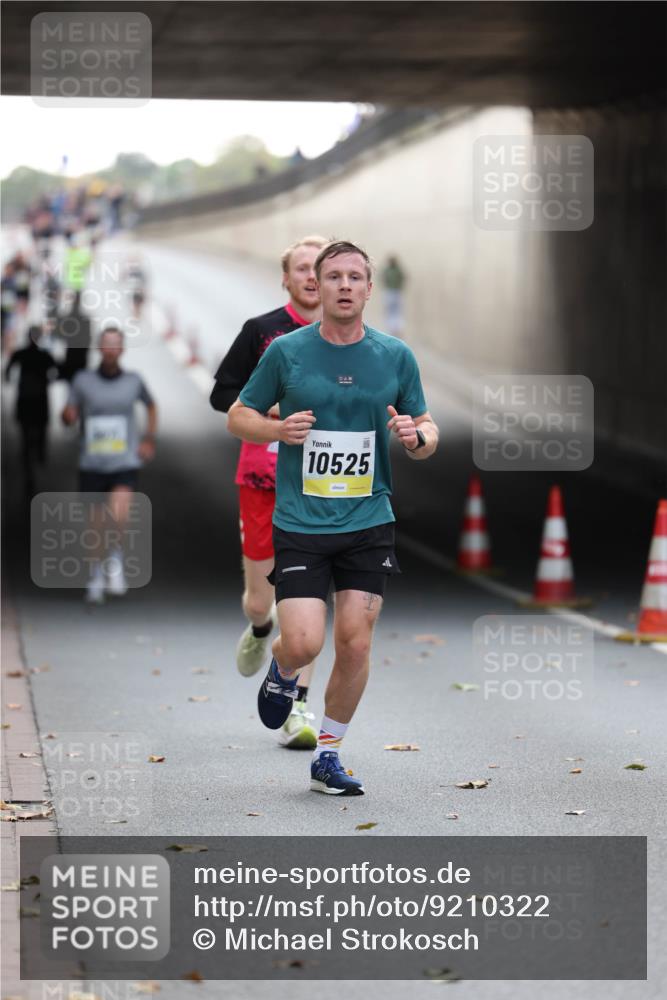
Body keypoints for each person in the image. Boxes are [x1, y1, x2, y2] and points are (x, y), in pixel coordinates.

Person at [227, 240, 438, 795]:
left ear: (369, 288)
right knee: (302, 643)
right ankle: (281, 668)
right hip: (301, 521)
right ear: (317, 287)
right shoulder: (287, 353)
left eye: (355, 277)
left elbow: (426, 427)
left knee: (356, 641)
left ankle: (328, 755)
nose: (345, 285)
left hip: (369, 521)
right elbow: (238, 415)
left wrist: (417, 439)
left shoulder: (395, 356)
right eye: (334, 277)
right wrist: (276, 430)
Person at [210, 235, 328, 750]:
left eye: (317, 269)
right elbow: (222, 395)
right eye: (300, 268)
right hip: (262, 477)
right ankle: (261, 630)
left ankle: (297, 707)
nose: (309, 276)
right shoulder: (263, 333)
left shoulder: (347, 337)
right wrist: (274, 413)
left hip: (322, 484)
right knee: (262, 601)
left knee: (307, 602)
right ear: (286, 278)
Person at [61, 326, 157, 604]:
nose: (111, 349)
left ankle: (114, 559)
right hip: (92, 462)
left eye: (116, 344)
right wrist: (67, 416)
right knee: (95, 526)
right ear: (99, 348)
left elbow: (151, 406)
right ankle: (94, 575)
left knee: (119, 516)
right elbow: (68, 413)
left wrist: (148, 438)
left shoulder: (133, 380)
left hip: (124, 461)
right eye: (106, 344)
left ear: (122, 349)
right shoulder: (83, 380)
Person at [5, 326, 58, 495]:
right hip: (39, 399)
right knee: (40, 428)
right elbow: (56, 371)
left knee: (26, 431)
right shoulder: (44, 355)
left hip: (26, 398)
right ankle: (38, 453)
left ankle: (29, 456)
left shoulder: (21, 353)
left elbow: (7, 372)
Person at [380, 254, 406, 338]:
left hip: (395, 292)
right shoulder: (393, 270)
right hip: (391, 292)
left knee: (395, 311)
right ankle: (393, 329)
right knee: (393, 311)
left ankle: (396, 329)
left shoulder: (394, 270)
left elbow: (403, 278)